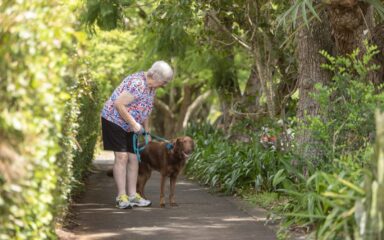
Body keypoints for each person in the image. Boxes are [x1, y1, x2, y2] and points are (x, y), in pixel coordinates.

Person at [100, 61, 174, 209]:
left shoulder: (152, 87)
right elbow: (119, 104)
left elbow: (145, 109)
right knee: (122, 157)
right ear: (154, 76)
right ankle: (121, 196)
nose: (164, 85)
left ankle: (133, 195)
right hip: (114, 120)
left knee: (134, 158)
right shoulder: (138, 84)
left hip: (129, 124)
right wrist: (134, 124)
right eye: (163, 82)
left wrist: (147, 131)